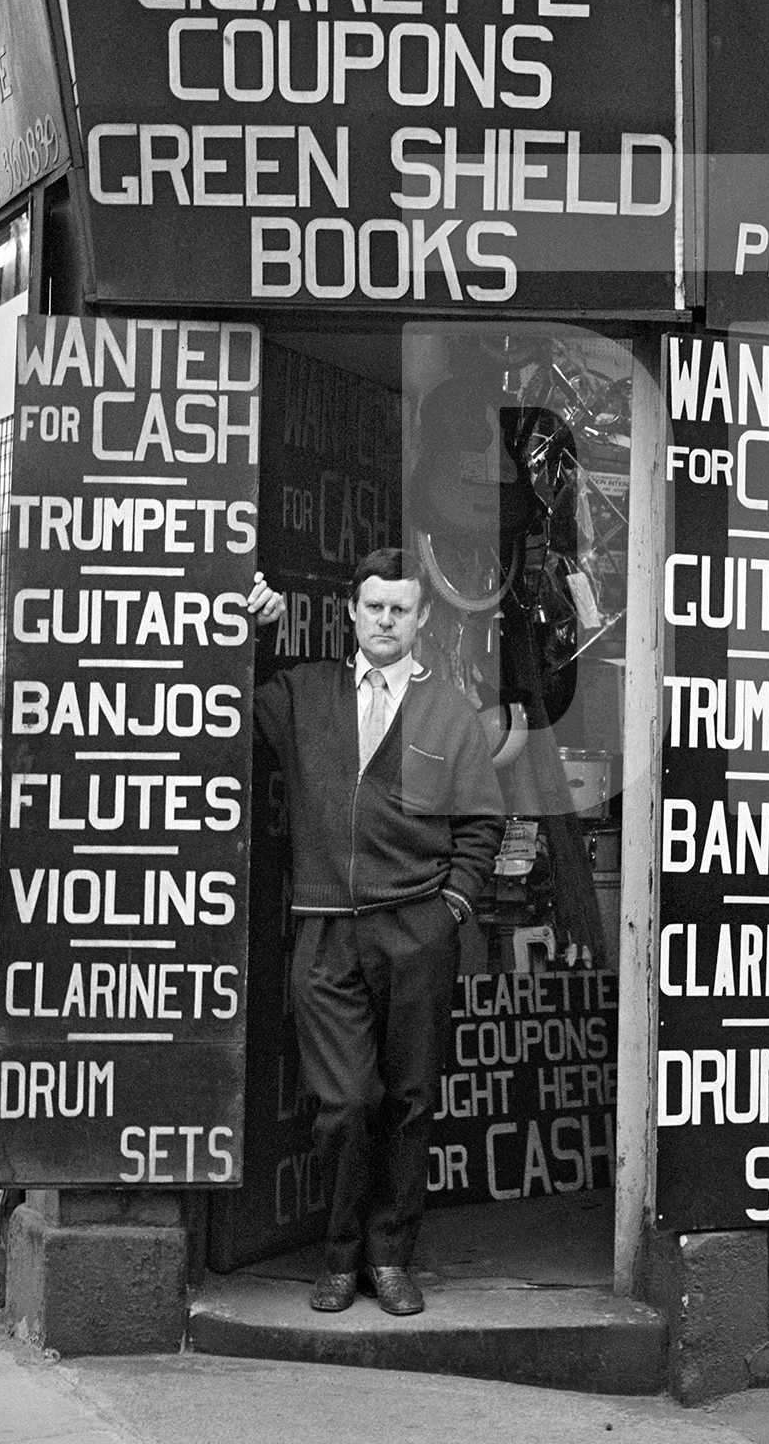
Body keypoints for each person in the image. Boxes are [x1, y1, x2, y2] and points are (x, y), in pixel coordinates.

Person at [247, 550, 504, 1316]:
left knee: (410, 1100)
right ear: (351, 613)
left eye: (401, 609)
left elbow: (483, 824)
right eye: (373, 607)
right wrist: (254, 634)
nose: (386, 620)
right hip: (324, 931)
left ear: (422, 619)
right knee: (346, 1102)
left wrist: (450, 908)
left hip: (415, 931)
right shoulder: (303, 694)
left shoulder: (449, 712)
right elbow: (224, 698)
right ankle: (338, 1258)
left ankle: (389, 1259)